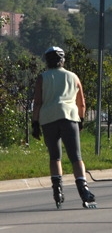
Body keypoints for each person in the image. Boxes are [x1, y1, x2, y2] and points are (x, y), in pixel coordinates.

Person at [31, 46, 96, 208]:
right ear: (63, 60)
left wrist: (34, 123)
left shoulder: (42, 77)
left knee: (55, 156)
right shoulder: (73, 76)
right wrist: (80, 120)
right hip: (69, 117)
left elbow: (38, 102)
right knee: (76, 156)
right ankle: (84, 190)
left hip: (48, 118)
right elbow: (82, 102)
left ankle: (57, 190)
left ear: (47, 61)